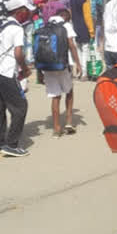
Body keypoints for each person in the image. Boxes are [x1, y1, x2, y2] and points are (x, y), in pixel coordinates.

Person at [0, 0, 35, 157]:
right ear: (19, 11)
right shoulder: (17, 28)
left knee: (0, 107)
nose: (29, 14)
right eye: (26, 11)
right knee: (20, 107)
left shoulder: (1, 25)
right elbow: (18, 53)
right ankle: (11, 144)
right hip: (8, 72)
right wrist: (25, 68)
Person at [39, 9, 82, 138]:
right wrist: (78, 63)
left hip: (48, 66)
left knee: (55, 96)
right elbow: (72, 45)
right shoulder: (66, 25)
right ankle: (69, 121)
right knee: (69, 91)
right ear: (66, 18)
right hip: (64, 64)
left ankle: (57, 128)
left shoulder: (46, 26)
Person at [69, 0, 94, 75]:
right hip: (84, 28)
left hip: (75, 27)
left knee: (78, 50)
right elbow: (88, 17)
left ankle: (79, 71)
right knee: (85, 50)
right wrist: (91, 31)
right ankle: (84, 73)